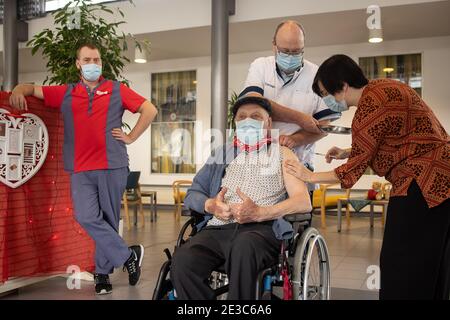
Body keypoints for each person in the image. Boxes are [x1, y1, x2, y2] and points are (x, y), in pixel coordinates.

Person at [284, 54, 450, 300]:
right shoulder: (388, 86)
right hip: (443, 180)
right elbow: (397, 138)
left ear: (342, 86)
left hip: (422, 185)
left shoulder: (368, 110)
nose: (326, 100)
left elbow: (350, 174)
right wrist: (348, 151)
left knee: (401, 262)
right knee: (434, 262)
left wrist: (308, 175)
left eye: (325, 93)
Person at [9, 43, 158, 295]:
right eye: (87, 59)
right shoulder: (66, 93)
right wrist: (18, 89)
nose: (93, 64)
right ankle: (128, 255)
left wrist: (131, 136)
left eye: (96, 60)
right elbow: (32, 89)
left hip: (113, 165)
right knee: (86, 216)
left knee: (109, 220)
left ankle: (102, 275)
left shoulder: (116, 89)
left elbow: (149, 109)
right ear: (78, 64)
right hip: (79, 168)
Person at [170, 96, 312, 300]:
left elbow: (302, 201)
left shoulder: (283, 154)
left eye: (255, 116)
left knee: (243, 247)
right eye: (242, 117)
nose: (248, 121)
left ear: (268, 123)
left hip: (261, 231)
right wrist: (211, 205)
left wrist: (261, 213)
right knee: (183, 260)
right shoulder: (222, 154)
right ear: (235, 124)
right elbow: (193, 194)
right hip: (217, 228)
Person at [240, 20, 340, 185]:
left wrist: (296, 139)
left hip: (299, 165)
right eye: (285, 51)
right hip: (259, 164)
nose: (290, 57)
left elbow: (324, 126)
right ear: (274, 46)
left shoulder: (318, 75)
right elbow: (254, 103)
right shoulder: (260, 66)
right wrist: (300, 118)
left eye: (296, 52)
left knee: (298, 208)